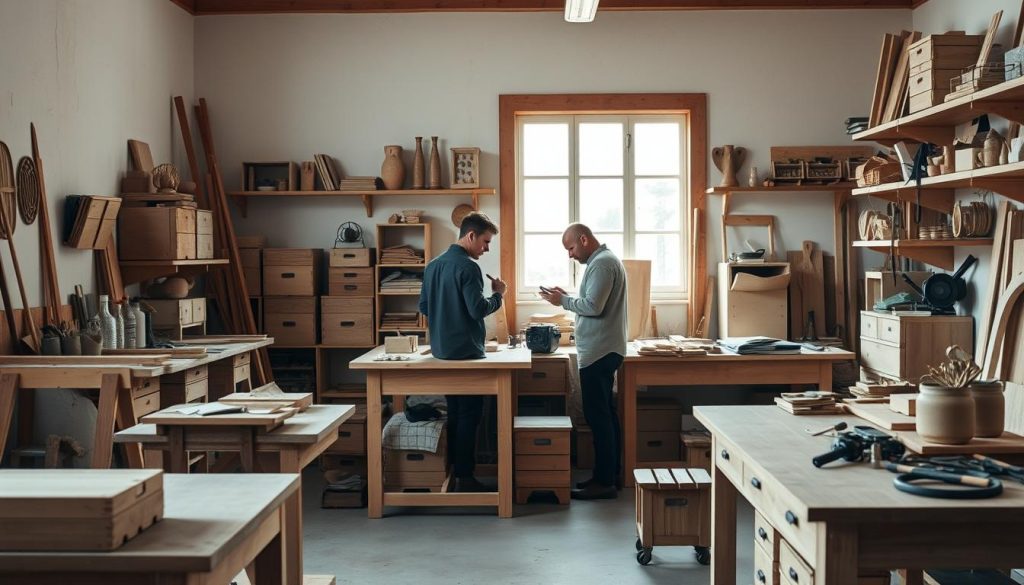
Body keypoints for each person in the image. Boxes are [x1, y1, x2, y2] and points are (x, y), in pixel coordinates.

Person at [419, 212, 507, 493]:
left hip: (442, 352)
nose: (487, 248)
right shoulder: (468, 268)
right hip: (466, 354)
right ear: (471, 236)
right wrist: (498, 294)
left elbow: (424, 307)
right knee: (470, 415)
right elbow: (478, 310)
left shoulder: (432, 266)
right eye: (486, 241)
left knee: (456, 413)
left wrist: (445, 316)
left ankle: (458, 473)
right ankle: (466, 478)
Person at [540, 223, 627, 500]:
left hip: (600, 352)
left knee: (598, 417)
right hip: (603, 350)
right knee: (605, 416)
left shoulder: (602, 264)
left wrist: (563, 301)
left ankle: (605, 482)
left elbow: (593, 307)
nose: (570, 255)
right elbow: (591, 300)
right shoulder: (603, 261)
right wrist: (567, 297)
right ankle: (607, 476)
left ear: (584, 239)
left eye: (571, 248)